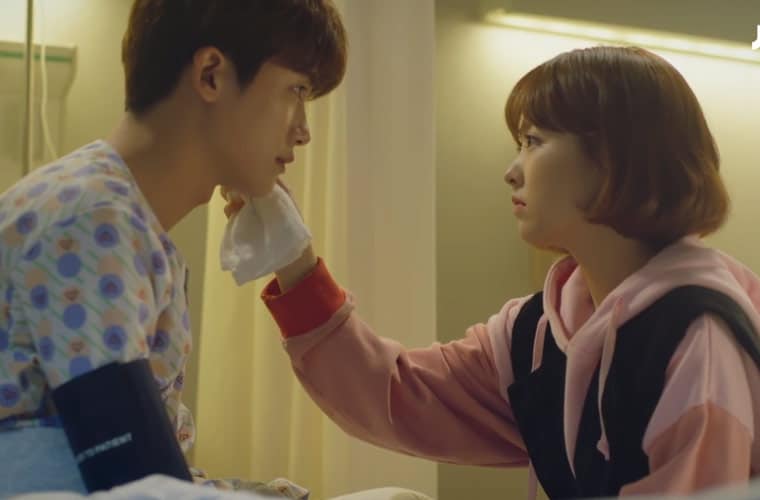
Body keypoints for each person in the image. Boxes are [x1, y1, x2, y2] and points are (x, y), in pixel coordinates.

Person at [245, 46, 760, 498]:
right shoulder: (538, 333)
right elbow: (393, 394)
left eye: (533, 141)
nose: (511, 172)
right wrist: (295, 261)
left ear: (612, 159)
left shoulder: (697, 337)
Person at [0, 0, 346, 497]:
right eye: (297, 90)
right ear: (210, 75)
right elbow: (136, 479)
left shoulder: (123, 223)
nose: (304, 130)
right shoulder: (91, 220)